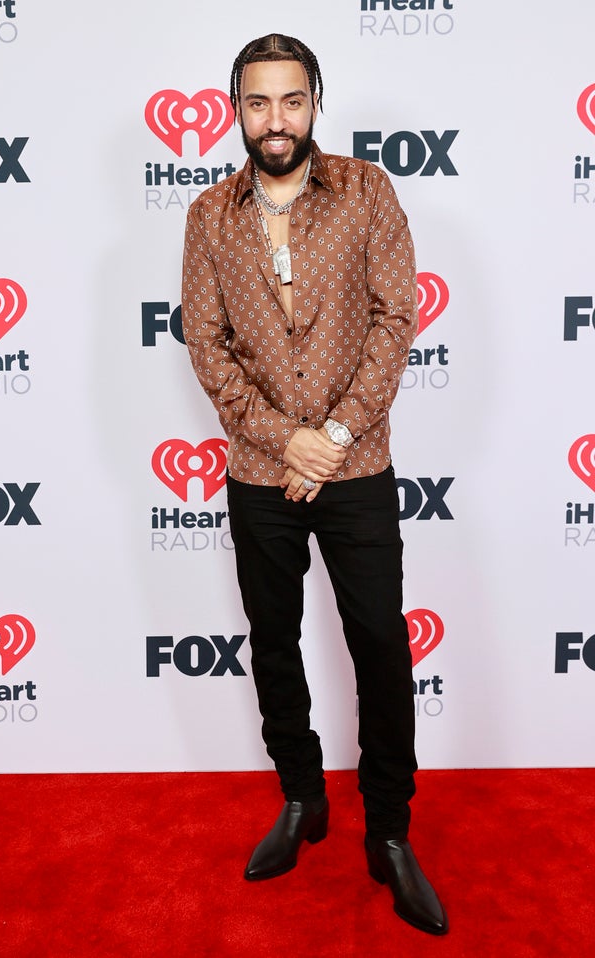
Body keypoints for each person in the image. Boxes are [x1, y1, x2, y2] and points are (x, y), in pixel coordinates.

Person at [181, 33, 448, 936]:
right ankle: (302, 801)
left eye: (291, 101)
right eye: (258, 104)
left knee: (379, 643)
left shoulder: (369, 191)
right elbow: (208, 348)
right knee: (275, 643)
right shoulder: (208, 216)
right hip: (260, 472)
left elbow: (394, 316)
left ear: (315, 102)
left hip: (357, 465)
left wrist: (329, 438)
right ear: (236, 111)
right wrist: (283, 440)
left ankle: (392, 832)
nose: (275, 121)